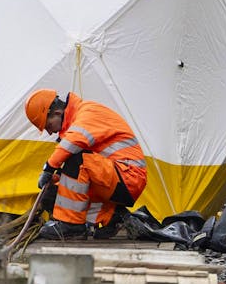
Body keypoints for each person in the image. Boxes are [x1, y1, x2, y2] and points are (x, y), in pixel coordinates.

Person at [24, 88, 148, 240]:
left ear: (57, 113)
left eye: (48, 126)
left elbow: (72, 144)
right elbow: (79, 171)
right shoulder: (79, 120)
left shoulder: (88, 112)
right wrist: (58, 178)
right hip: (115, 178)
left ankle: (71, 225)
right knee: (54, 192)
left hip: (129, 178)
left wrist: (48, 169)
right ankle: (111, 216)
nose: (50, 132)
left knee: (77, 158)